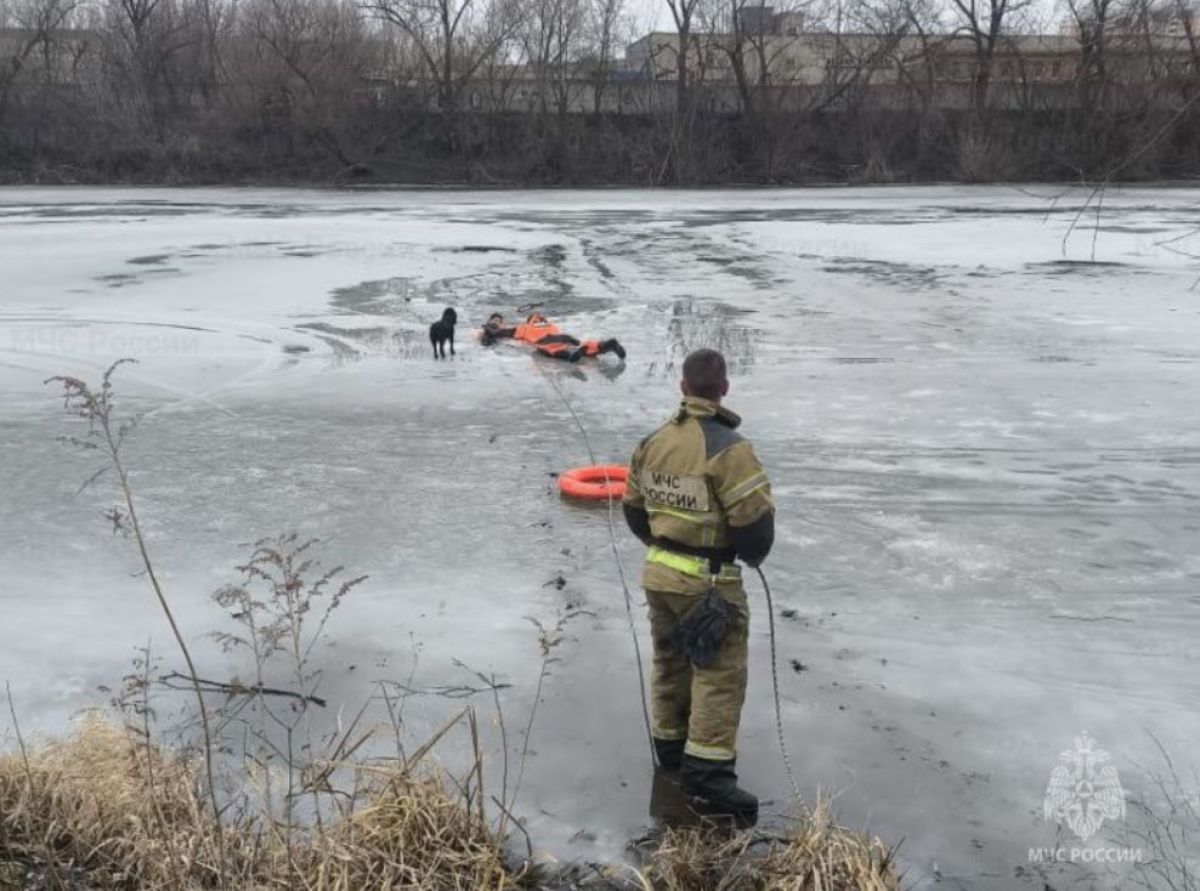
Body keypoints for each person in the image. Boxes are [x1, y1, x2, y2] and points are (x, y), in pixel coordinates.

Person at [622, 348, 774, 821]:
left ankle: (670, 754)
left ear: (683, 388)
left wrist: (668, 543)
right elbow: (755, 533)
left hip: (658, 574)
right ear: (723, 388)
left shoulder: (652, 442)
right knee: (718, 676)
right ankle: (708, 779)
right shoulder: (730, 448)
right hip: (709, 586)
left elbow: (633, 510)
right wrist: (739, 555)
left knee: (670, 665)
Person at [480, 312, 626, 363]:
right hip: (562, 337)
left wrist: (488, 329)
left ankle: (570, 354)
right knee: (584, 345)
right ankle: (605, 345)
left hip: (545, 341)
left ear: (529, 321)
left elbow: (500, 333)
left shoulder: (523, 327)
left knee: (551, 349)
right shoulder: (550, 324)